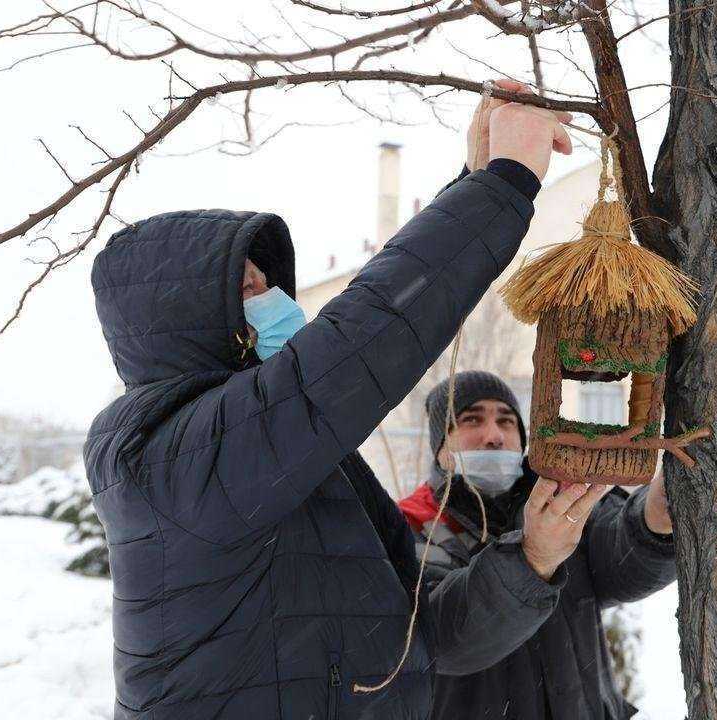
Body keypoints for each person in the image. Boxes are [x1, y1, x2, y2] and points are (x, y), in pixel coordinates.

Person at [83, 80, 571, 720]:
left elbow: (426, 637)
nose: (276, 302)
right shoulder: (169, 461)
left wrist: (531, 558)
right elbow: (360, 343)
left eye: (267, 282)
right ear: (188, 324)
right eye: (247, 290)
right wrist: (499, 186)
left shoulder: (297, 462)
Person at [397, 370, 679, 720]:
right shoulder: (409, 524)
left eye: (506, 421)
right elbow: (441, 639)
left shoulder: (557, 498)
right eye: (471, 420)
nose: (494, 436)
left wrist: (653, 519)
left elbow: (617, 561)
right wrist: (533, 558)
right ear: (440, 444)